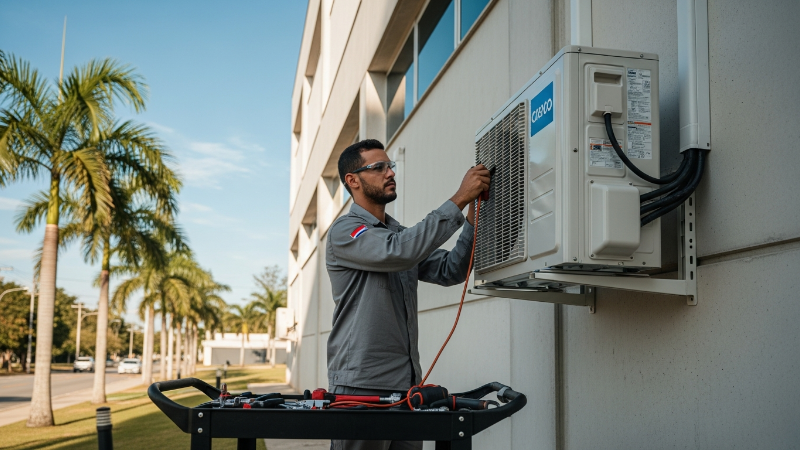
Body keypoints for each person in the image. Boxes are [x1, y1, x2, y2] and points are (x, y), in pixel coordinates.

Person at [326, 139, 490, 450]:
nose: (390, 173)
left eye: (391, 166)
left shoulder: (399, 236)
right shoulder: (345, 232)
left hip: (406, 387)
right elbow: (398, 253)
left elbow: (451, 269)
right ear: (353, 180)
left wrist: (471, 215)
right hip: (360, 387)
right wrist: (457, 199)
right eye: (378, 167)